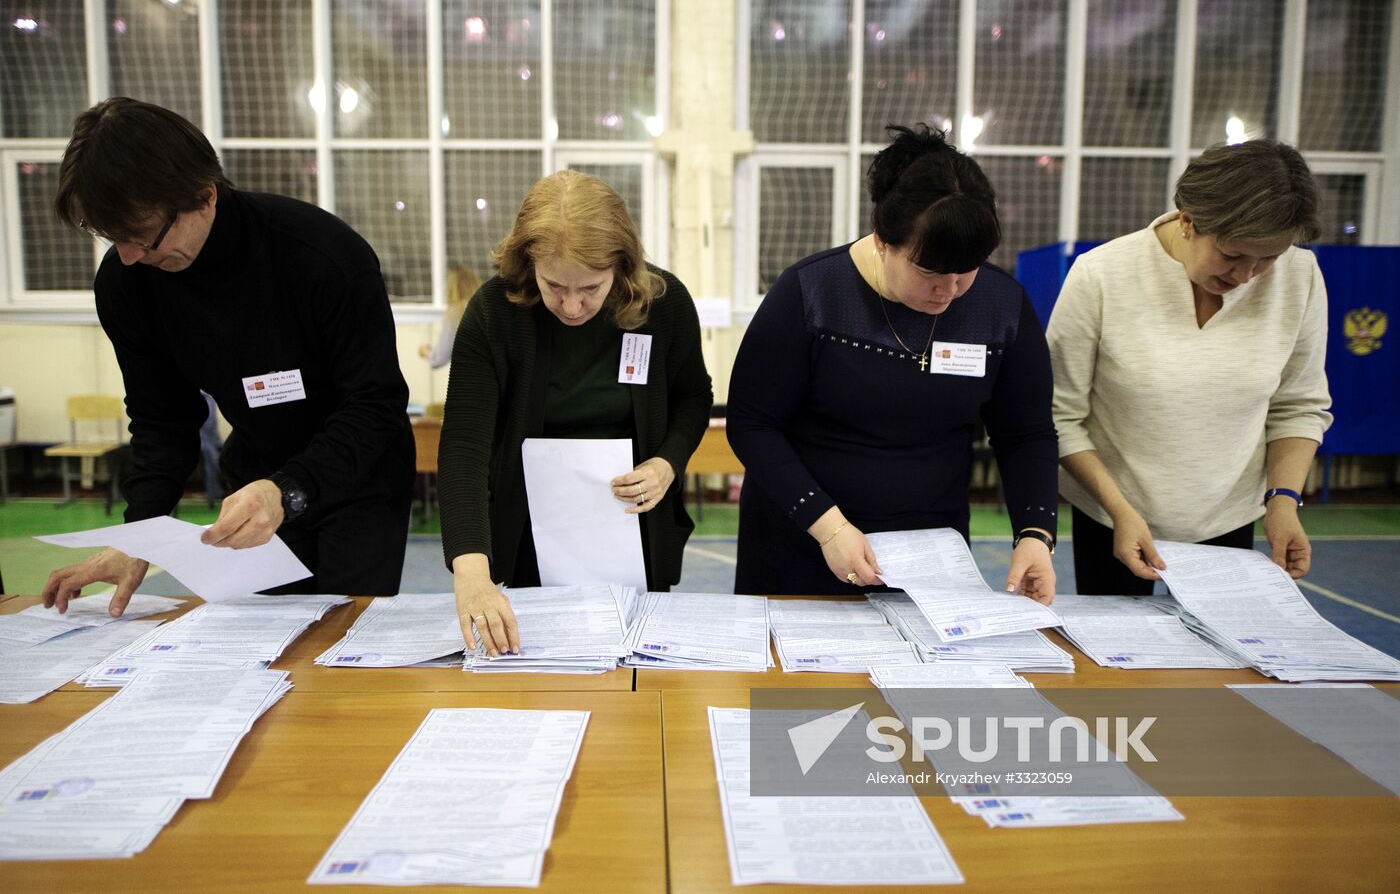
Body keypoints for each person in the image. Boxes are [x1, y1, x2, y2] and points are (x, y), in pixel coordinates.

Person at [43, 97, 415, 617]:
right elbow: (162, 419)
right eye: (113, 238)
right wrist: (138, 536)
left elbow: (375, 404)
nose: (129, 256)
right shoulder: (129, 282)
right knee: (256, 646)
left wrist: (286, 490)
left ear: (203, 195)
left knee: (343, 643)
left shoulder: (321, 256)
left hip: (359, 482)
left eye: (142, 236)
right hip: (253, 484)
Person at [727, 125, 1058, 602]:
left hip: (929, 553)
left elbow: (1026, 432)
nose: (949, 292)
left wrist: (1035, 532)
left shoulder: (1002, 305)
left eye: (968, 272)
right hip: (804, 538)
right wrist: (829, 528)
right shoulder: (812, 293)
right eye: (929, 273)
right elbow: (752, 423)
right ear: (883, 240)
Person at [439, 170, 713, 655]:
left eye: (590, 287)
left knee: (631, 675)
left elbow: (694, 396)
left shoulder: (663, 305)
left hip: (633, 529)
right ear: (528, 264)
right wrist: (472, 571)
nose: (570, 305)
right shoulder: (494, 312)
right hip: (523, 532)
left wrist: (666, 462)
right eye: (553, 285)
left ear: (623, 268)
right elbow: (464, 448)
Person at [1047, 139, 1332, 594]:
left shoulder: (1300, 277)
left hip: (1230, 515)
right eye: (1233, 255)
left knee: (1222, 660)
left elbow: (1298, 407)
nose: (1245, 276)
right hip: (1114, 514)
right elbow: (1060, 416)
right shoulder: (1101, 275)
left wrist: (1283, 501)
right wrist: (1120, 512)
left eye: (1268, 259)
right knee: (1122, 656)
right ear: (1188, 221)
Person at [419, 267, 482, 369]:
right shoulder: (489, 308)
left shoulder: (456, 312)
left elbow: (439, 359)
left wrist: (426, 352)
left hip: (472, 378)